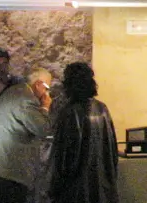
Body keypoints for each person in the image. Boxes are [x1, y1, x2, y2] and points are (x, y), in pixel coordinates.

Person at [48, 62, 119, 203]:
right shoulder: (102, 109)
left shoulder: (69, 112)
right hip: (103, 187)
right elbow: (112, 151)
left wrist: (55, 187)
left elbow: (63, 156)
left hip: (76, 190)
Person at [0, 68, 54, 203]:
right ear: (38, 84)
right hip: (9, 171)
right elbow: (43, 129)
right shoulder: (26, 99)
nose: (47, 93)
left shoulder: (15, 91)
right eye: (47, 88)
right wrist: (45, 107)